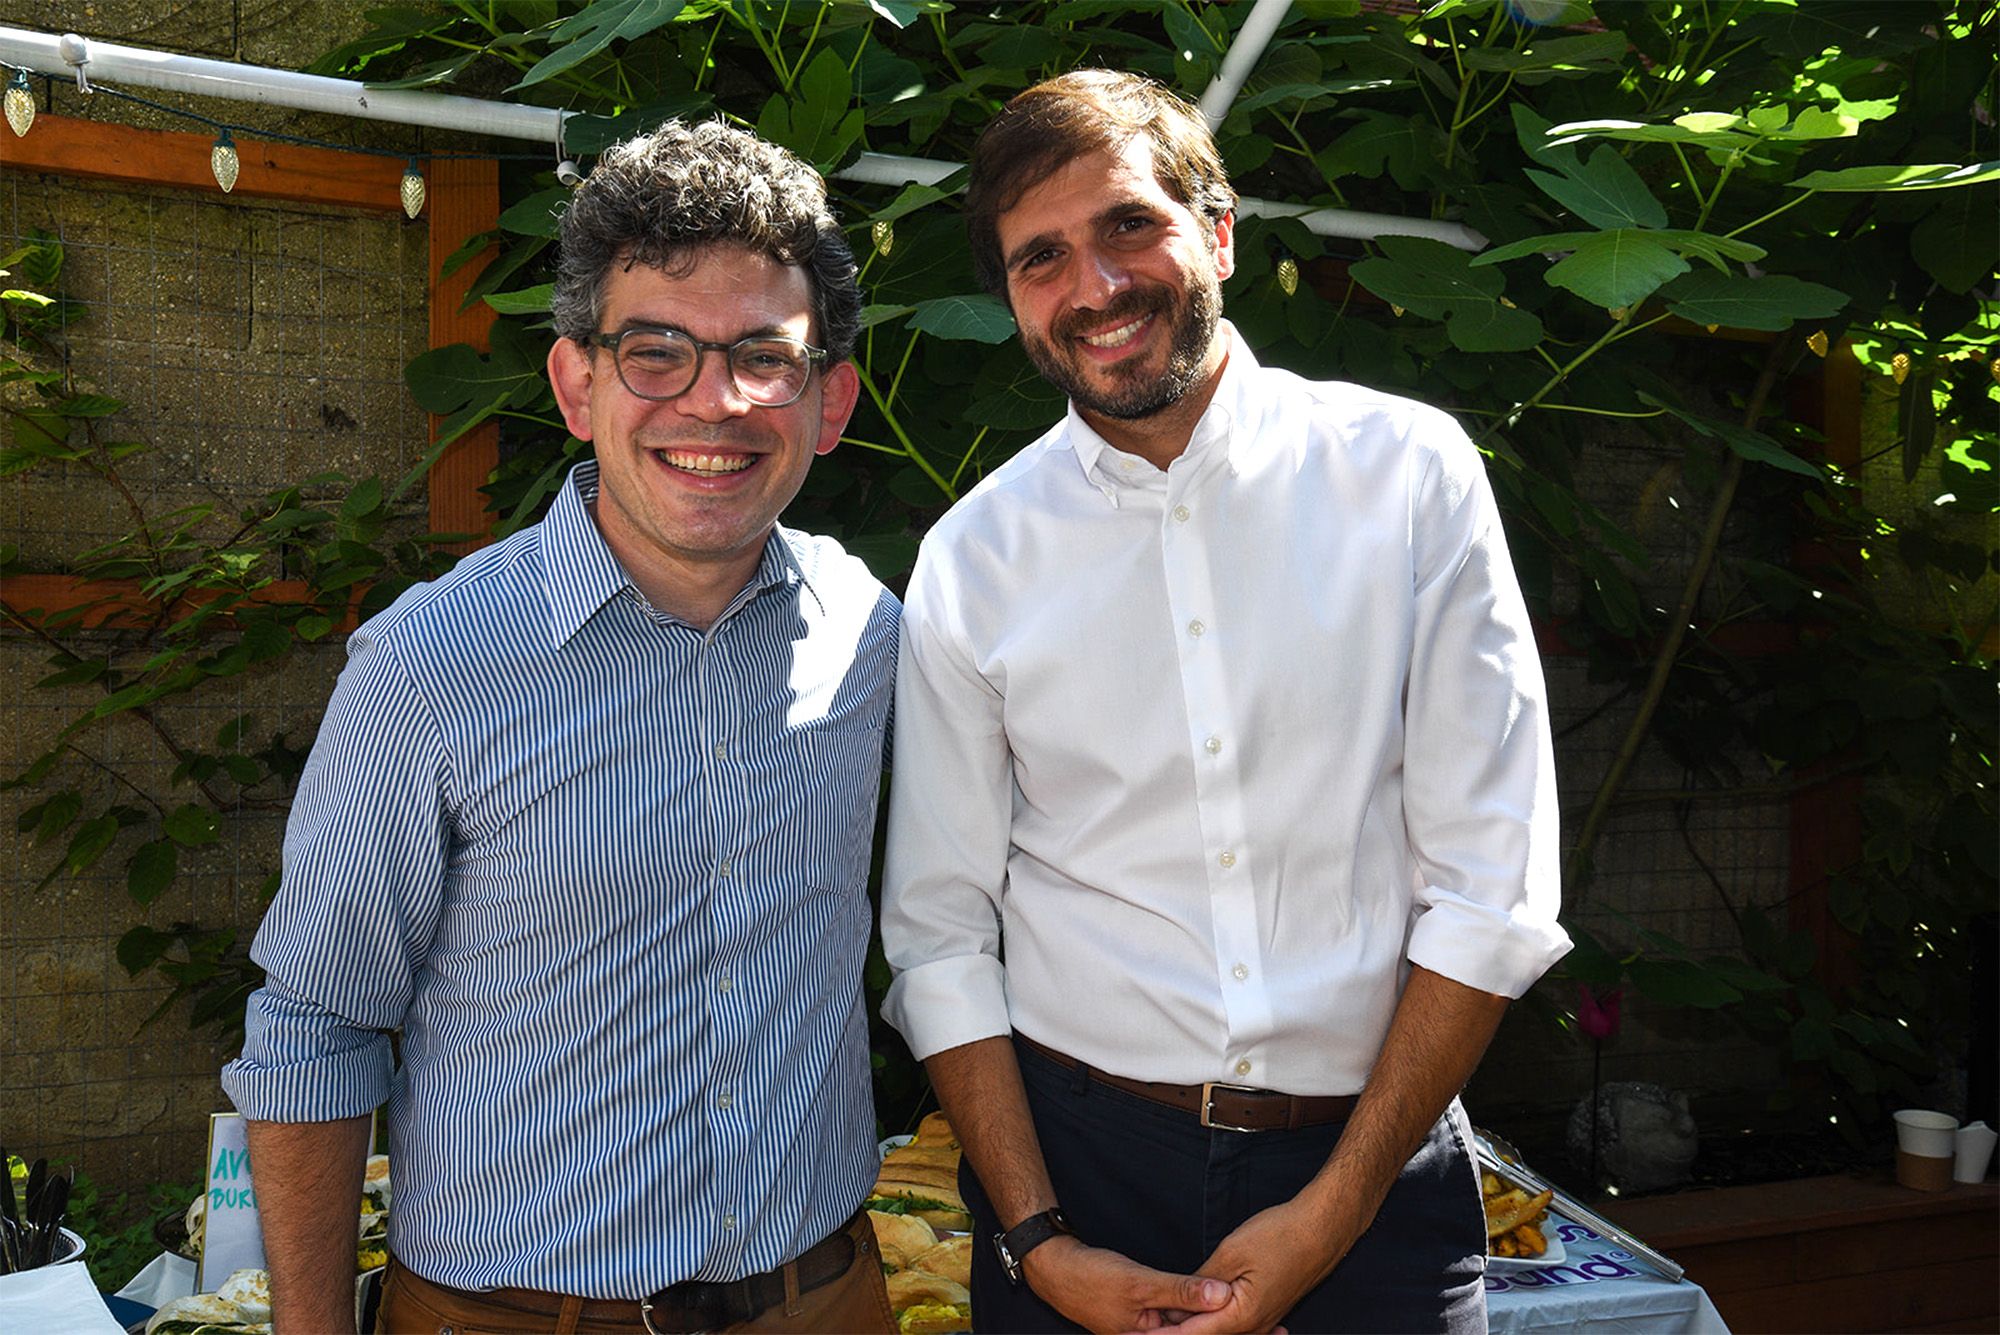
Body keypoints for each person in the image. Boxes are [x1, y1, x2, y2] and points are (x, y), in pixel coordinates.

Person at [881, 70, 1570, 1335]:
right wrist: (1035, 1240)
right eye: (1042, 259)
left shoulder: (1408, 477)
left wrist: (1340, 1203)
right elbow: (937, 938)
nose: (1093, 287)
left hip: (1373, 1168)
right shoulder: (971, 561)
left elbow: (1490, 886)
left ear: (1218, 231)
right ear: (1015, 305)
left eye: (1126, 225)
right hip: (1077, 1179)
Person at [222, 120, 899, 1335]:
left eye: (764, 355)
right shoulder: (428, 668)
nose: (718, 401)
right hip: (512, 1315)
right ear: (576, 387)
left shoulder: (870, 630)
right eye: (656, 353)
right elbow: (313, 1025)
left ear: (830, 400)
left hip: (824, 1299)